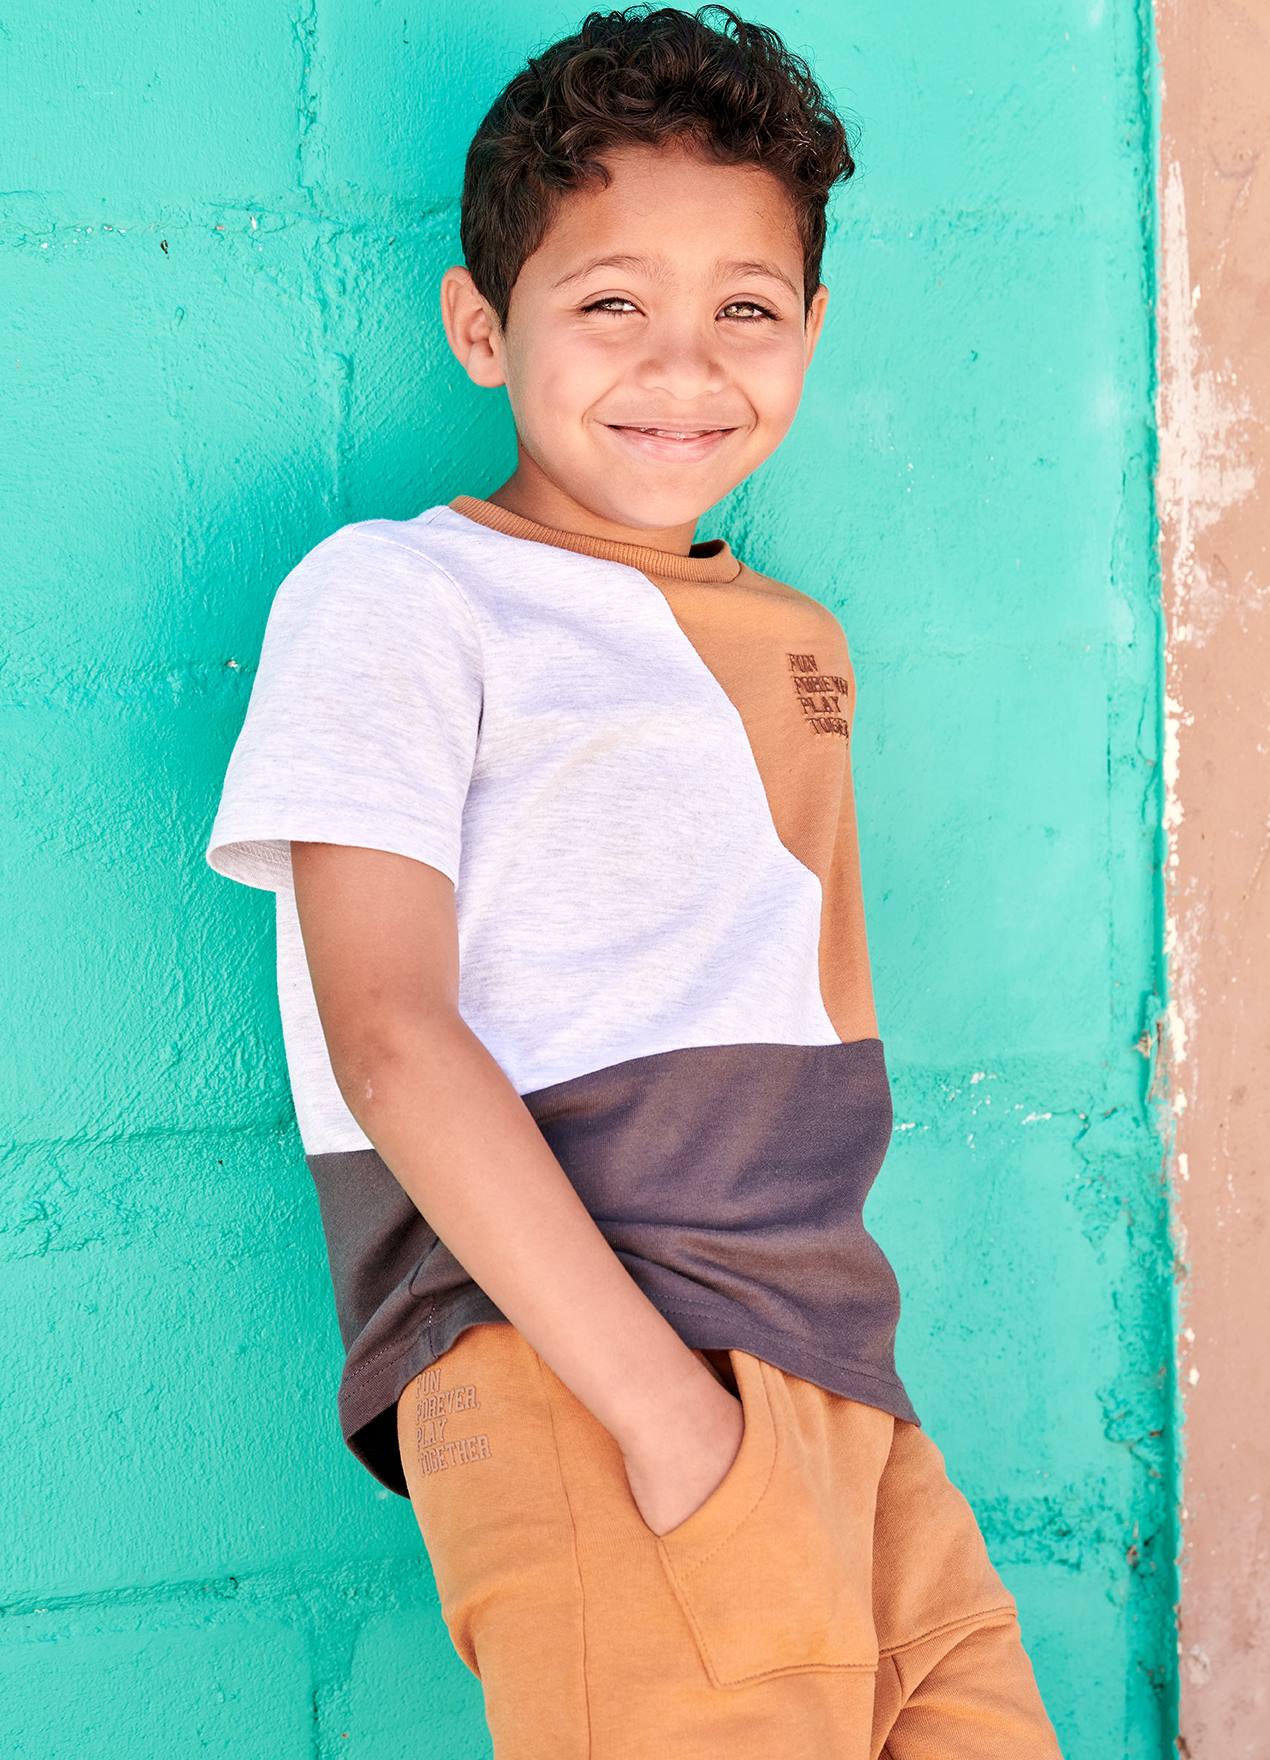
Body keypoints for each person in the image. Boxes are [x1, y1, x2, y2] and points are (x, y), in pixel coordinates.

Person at [204, 5, 1065, 1754]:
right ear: (480, 324)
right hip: (596, 1372)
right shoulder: (394, 597)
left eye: (745, 310)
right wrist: (671, 1422)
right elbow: (388, 1033)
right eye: (612, 305)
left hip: (837, 1379)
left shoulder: (794, 638)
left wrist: (812, 1424)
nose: (685, 369)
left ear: (810, 332)